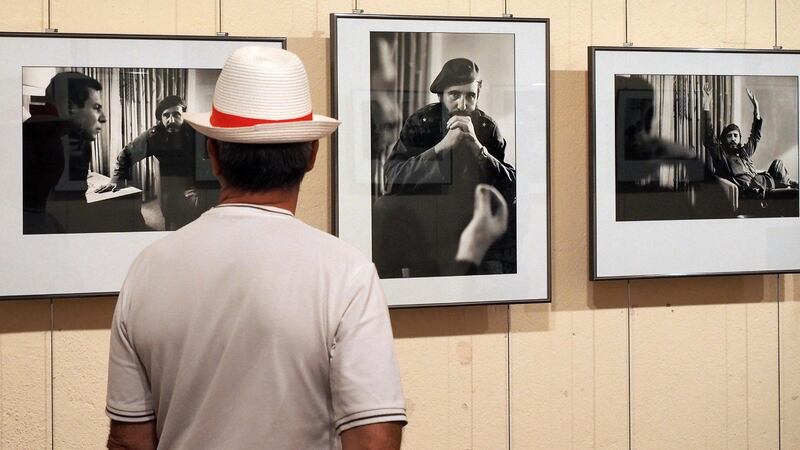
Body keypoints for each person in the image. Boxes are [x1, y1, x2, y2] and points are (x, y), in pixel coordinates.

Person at [105, 47, 406, 449]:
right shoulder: (345, 272)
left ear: (212, 154)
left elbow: (130, 440)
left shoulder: (147, 269)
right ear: (312, 155)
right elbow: (374, 438)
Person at [374, 57, 517, 277]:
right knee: (382, 209)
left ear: (477, 96)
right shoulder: (421, 122)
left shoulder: (488, 129)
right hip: (427, 218)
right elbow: (392, 179)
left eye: (470, 96)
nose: (462, 104)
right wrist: (440, 148)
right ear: (441, 95)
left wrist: (479, 148)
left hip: (471, 218)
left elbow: (511, 186)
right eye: (454, 95)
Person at [23, 71, 142, 233]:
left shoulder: (35, 130)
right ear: (69, 107)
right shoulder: (65, 143)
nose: (104, 118)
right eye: (97, 108)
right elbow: (73, 218)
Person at [96, 95, 212, 230]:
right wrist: (115, 181)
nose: (171, 120)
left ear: (184, 115)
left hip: (196, 180)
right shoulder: (154, 136)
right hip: (170, 182)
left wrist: (202, 186)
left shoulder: (197, 131)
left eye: (177, 114)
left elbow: (212, 160)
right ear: (160, 118)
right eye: (166, 115)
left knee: (202, 217)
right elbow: (126, 154)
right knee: (173, 214)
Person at [702, 85, 798, 199]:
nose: (733, 138)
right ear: (724, 140)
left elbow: (755, 136)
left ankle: (786, 188)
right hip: (759, 193)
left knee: (778, 164)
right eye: (729, 136)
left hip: (766, 182)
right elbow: (708, 135)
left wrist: (756, 108)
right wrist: (706, 104)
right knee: (795, 193)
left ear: (739, 138)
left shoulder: (744, 152)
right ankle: (787, 190)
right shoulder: (721, 155)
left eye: (735, 136)